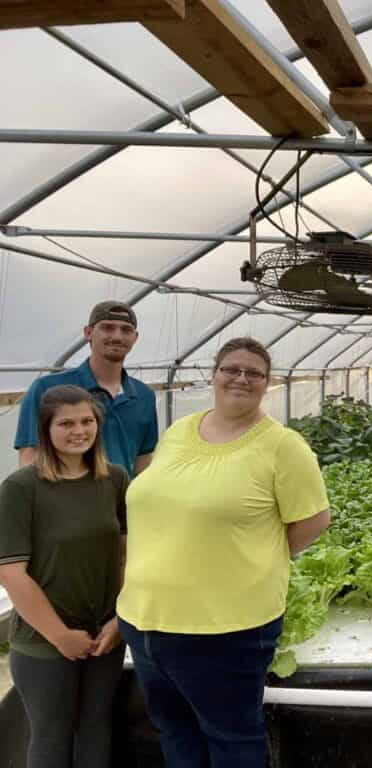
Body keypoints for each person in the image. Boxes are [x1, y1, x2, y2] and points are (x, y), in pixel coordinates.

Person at [115, 337, 330, 767]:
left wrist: (253, 557)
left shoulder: (283, 446)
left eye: (254, 373)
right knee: (175, 732)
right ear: (213, 375)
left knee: (231, 739)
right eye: (231, 368)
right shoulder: (180, 431)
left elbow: (313, 521)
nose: (241, 378)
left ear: (267, 383)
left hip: (224, 629)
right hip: (144, 619)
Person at [0, 385, 130, 768]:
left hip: (104, 636)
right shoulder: (22, 488)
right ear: (46, 429)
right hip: (44, 642)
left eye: (87, 421)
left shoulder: (114, 479)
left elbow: (127, 555)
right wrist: (60, 636)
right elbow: (11, 572)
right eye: (66, 423)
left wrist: (119, 620)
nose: (79, 431)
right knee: (50, 739)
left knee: (96, 730)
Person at [15, 300, 158, 477]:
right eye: (108, 328)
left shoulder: (144, 396)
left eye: (126, 330)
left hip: (122, 494)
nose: (117, 336)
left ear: (135, 338)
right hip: (64, 494)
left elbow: (143, 461)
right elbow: (30, 458)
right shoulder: (47, 388)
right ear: (88, 333)